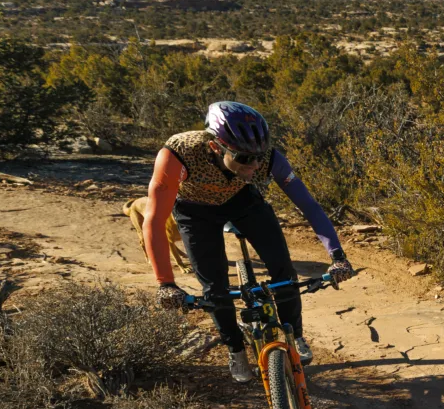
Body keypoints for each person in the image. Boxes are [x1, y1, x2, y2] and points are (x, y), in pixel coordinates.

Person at [143, 101, 354, 382]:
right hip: (195, 211)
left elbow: (309, 206)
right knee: (214, 288)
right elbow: (155, 221)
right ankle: (235, 350)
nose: (255, 165)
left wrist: (337, 255)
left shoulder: (266, 159)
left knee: (284, 273)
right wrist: (165, 284)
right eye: (244, 158)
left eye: (259, 156)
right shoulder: (179, 153)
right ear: (217, 147)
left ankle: (296, 335)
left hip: (241, 201)